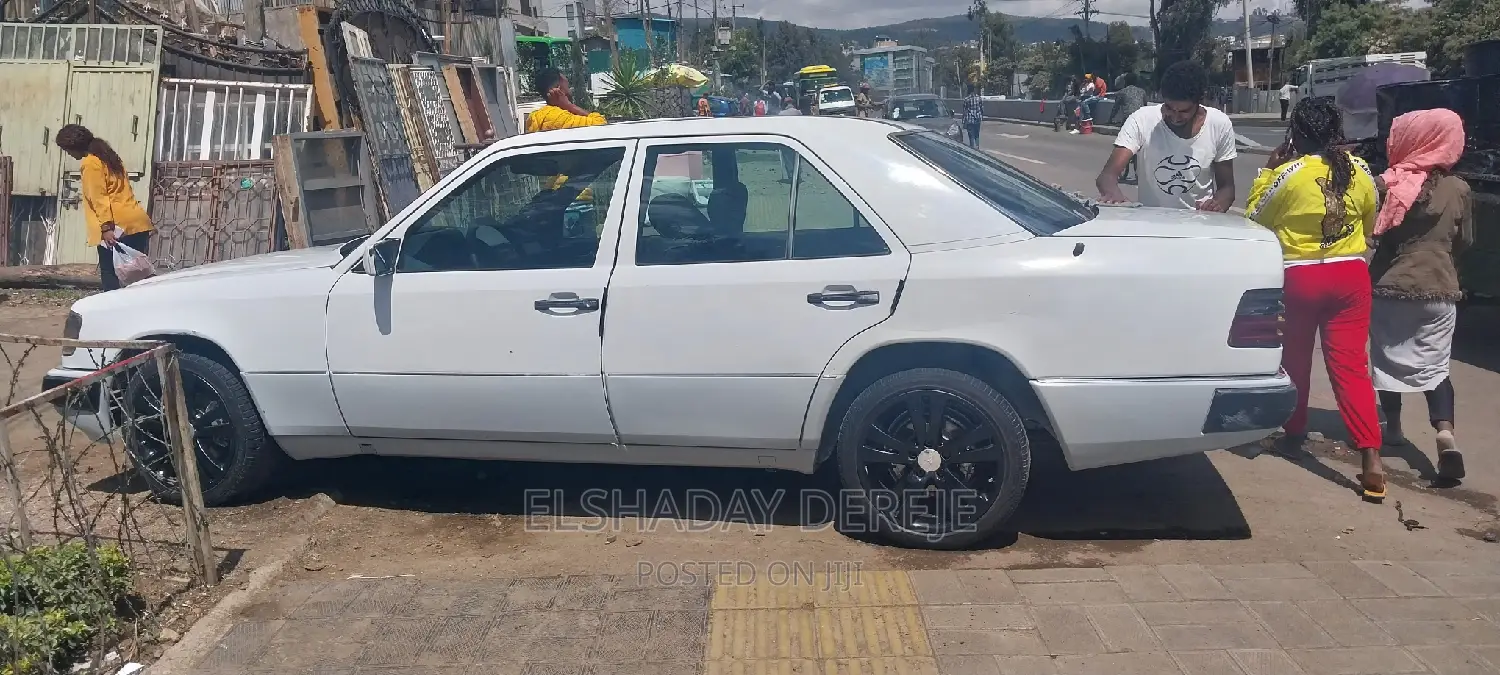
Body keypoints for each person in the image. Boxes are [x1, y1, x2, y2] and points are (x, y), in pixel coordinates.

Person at [1246, 96, 1384, 501]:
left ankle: (1294, 432)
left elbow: (1255, 216)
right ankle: (1371, 460)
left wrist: (1266, 171)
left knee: (1295, 362)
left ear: (1297, 133)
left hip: (1301, 277)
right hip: (1351, 275)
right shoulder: (1360, 169)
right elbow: (1371, 218)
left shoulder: (1288, 174)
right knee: (1352, 367)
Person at [1369, 108, 1473, 483]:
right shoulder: (1459, 188)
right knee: (1435, 367)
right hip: (1439, 288)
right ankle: (1445, 435)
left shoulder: (1388, 185)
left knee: (1387, 363)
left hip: (1388, 288)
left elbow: (1371, 233)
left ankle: (1393, 429)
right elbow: (1465, 241)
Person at [1096, 60, 1237, 211]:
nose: (1175, 117)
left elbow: (1227, 189)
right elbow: (1107, 177)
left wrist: (1217, 205)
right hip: (1152, 225)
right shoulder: (1142, 119)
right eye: (1168, 108)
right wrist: (1113, 194)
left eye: (1183, 111)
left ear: (1199, 101)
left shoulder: (1219, 124)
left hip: (1198, 225)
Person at [54, 124, 153, 291]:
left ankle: (113, 312)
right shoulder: (110, 158)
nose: (69, 155)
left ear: (74, 147)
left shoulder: (91, 163)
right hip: (136, 221)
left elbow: (99, 198)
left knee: (111, 274)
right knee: (136, 273)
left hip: (116, 226)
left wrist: (106, 228)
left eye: (67, 150)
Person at [526, 68, 606, 132]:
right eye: (568, 86)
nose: (570, 90)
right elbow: (601, 124)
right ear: (559, 89)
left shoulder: (535, 117)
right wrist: (569, 105)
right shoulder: (559, 118)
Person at [1107, 73, 1147, 181]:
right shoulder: (1142, 92)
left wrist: (1110, 120)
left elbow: (1115, 108)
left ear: (1125, 81)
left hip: (1128, 121)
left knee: (1125, 145)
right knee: (1140, 148)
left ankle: (1125, 167)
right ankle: (1138, 172)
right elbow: (1145, 106)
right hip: (1142, 121)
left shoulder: (1122, 92)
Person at [963, 84, 984, 149]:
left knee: (971, 136)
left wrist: (963, 121)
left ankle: (972, 149)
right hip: (977, 119)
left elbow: (965, 111)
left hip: (970, 120)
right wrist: (981, 117)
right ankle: (977, 147)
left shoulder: (966, 99)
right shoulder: (979, 98)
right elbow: (982, 109)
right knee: (977, 135)